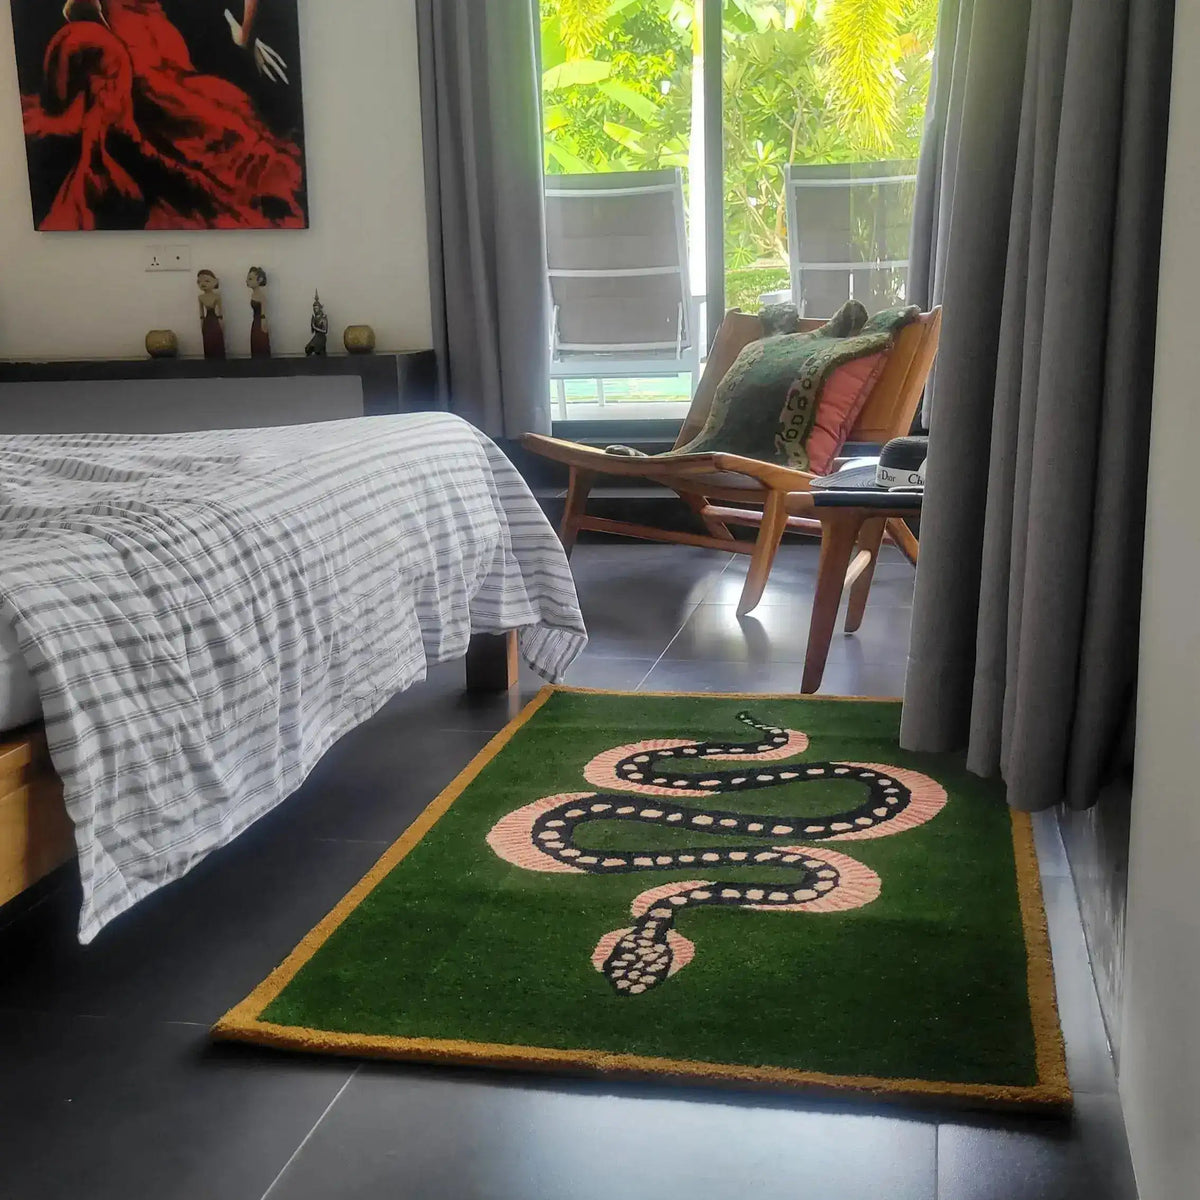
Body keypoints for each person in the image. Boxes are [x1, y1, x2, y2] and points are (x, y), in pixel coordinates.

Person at [22, 1, 304, 230]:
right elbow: (75, 9)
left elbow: (74, 10)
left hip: (157, 50)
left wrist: (246, 39)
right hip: (148, 51)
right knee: (211, 122)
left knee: (214, 119)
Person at [197, 269, 226, 360]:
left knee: (216, 340)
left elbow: (220, 311)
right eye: (200, 281)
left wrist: (221, 321)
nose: (203, 283)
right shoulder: (200, 297)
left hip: (215, 321)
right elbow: (201, 312)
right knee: (207, 341)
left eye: (207, 281)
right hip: (207, 321)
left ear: (214, 282)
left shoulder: (217, 297)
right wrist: (201, 322)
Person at [247, 267, 271, 358]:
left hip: (260, 322)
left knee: (261, 342)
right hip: (255, 322)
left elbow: (263, 313)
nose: (247, 281)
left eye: (250, 279)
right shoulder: (254, 294)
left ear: (259, 280)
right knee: (255, 342)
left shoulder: (261, 296)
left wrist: (263, 323)